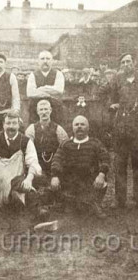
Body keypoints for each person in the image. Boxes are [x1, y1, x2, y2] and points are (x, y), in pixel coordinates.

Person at [50, 115, 110, 219]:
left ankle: (95, 204)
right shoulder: (66, 144)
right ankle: (68, 204)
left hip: (89, 181)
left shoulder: (95, 143)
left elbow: (105, 158)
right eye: (76, 124)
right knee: (73, 210)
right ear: (72, 128)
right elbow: (56, 159)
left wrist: (101, 174)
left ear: (88, 127)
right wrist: (55, 175)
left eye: (82, 124)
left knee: (90, 207)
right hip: (71, 182)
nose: (79, 127)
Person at [106, 53, 138, 208]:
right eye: (123, 62)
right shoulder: (117, 79)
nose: (126, 64)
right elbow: (109, 98)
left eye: (129, 61)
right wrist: (112, 105)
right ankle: (119, 199)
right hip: (121, 129)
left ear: (134, 63)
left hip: (137, 128)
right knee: (120, 164)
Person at [27, 50, 65, 124]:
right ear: (38, 61)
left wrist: (40, 89)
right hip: (35, 112)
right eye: (42, 59)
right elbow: (30, 93)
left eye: (48, 59)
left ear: (52, 61)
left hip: (55, 111)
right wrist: (50, 92)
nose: (45, 61)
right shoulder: (33, 75)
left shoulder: (58, 74)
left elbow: (59, 90)